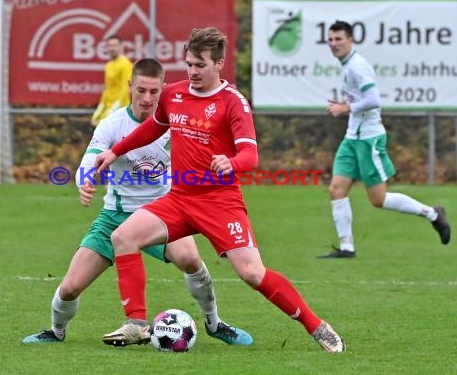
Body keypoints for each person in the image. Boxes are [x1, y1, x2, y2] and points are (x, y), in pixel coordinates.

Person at [95, 27, 345, 353]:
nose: (193, 71)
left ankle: (317, 326)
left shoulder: (233, 103)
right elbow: (154, 128)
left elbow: (251, 155)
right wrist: (115, 151)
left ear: (219, 65)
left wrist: (232, 162)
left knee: (253, 274)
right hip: (180, 199)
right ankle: (137, 323)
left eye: (200, 65)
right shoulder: (174, 94)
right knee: (123, 237)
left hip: (219, 202)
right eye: (189, 64)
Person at [22, 58, 252, 346]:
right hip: (115, 216)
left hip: (162, 213)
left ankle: (214, 323)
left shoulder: (177, 124)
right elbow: (89, 160)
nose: (147, 98)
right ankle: (56, 331)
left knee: (191, 259)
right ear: (130, 86)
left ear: (164, 89)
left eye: (154, 92)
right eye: (141, 90)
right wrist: (86, 180)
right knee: (69, 288)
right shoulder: (113, 124)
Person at [319, 20, 451, 259]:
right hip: (353, 136)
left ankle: (433, 214)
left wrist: (345, 107)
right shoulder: (347, 65)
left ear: (350, 40)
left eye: (339, 39)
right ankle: (347, 247)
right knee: (337, 190)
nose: (334, 44)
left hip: (369, 139)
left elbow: (374, 99)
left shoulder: (357, 66)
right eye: (330, 39)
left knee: (378, 199)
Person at [91, 35, 133, 126]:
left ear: (121, 47)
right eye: (110, 45)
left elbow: (125, 87)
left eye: (115, 45)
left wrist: (115, 107)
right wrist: (101, 106)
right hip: (108, 109)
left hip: (121, 110)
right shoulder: (108, 65)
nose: (112, 48)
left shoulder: (126, 64)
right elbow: (107, 88)